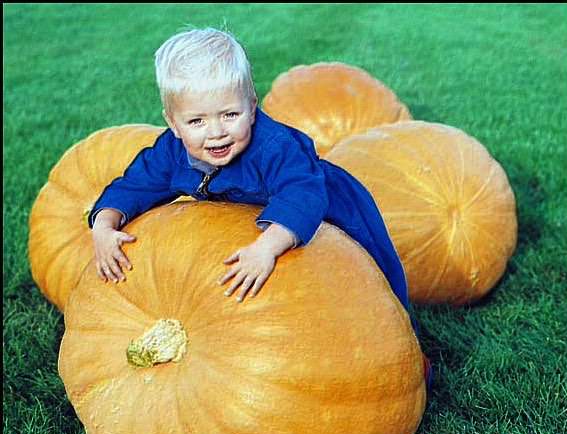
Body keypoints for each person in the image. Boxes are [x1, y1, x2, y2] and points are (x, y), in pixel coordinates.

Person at [88, 27, 433, 387]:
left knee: (373, 277)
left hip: (334, 207)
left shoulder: (275, 147)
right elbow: (134, 184)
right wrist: (104, 225)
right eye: (197, 121)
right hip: (267, 215)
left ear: (252, 106)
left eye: (229, 114)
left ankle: (404, 349)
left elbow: (302, 194)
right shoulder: (171, 152)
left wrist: (267, 248)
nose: (216, 132)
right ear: (173, 123)